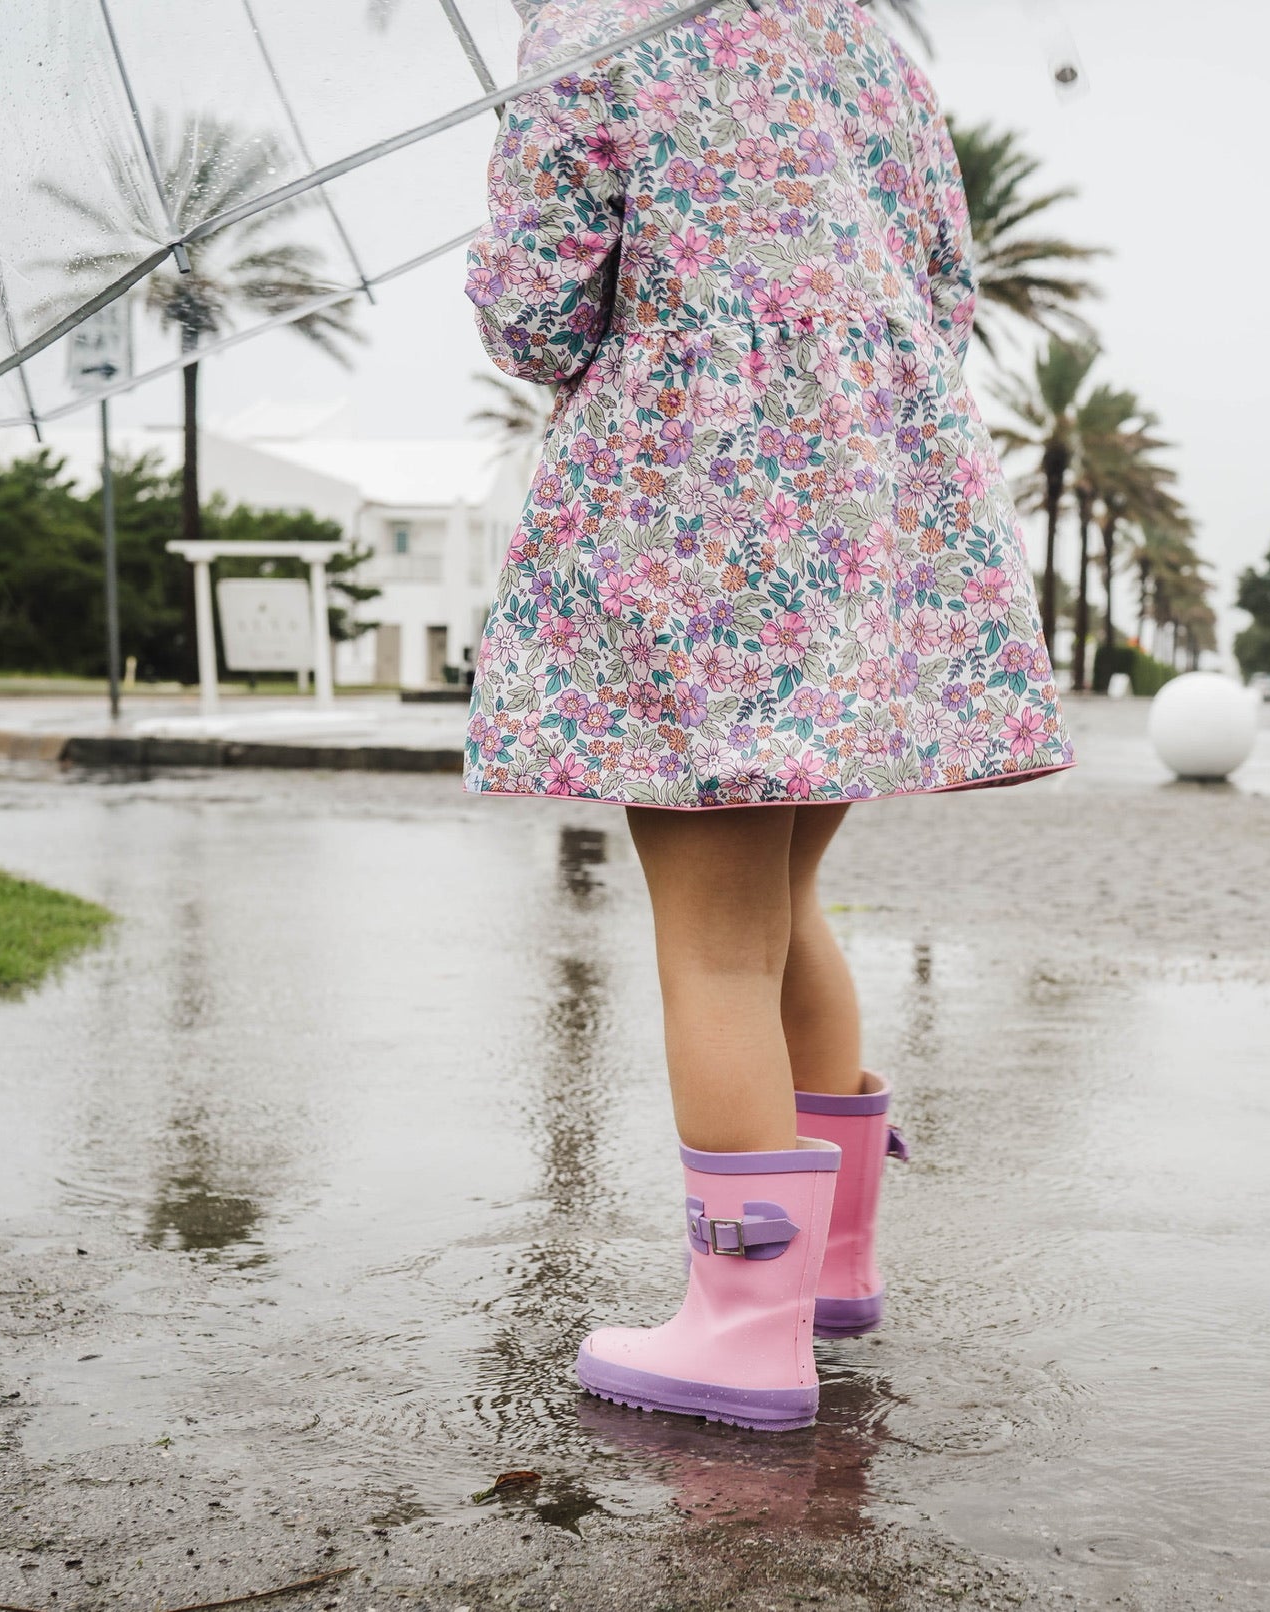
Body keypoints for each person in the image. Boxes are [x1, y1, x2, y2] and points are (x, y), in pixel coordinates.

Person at [463, 0, 1072, 1431]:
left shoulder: (588, 43)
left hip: (694, 517)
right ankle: (830, 1270)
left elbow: (538, 315)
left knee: (711, 942)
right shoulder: (867, 41)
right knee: (785, 905)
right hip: (863, 509)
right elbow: (944, 288)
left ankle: (742, 1328)